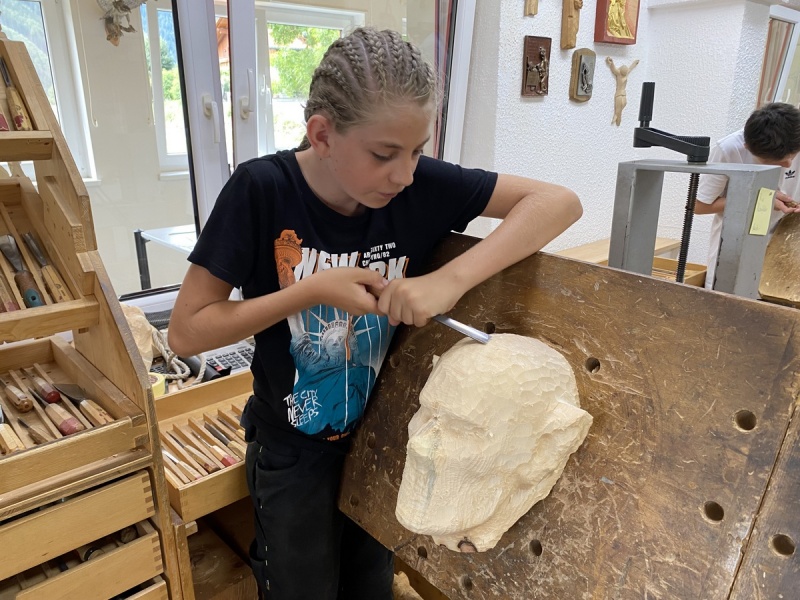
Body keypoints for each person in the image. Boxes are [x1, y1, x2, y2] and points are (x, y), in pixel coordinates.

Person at [168, 27, 582, 600]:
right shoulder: (261, 190)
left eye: (417, 151)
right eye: (384, 155)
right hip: (291, 449)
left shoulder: (418, 187)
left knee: (370, 586)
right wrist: (309, 292)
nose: (404, 174)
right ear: (322, 135)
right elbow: (187, 331)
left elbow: (559, 203)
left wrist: (447, 282)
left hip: (383, 439)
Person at [695, 102, 800, 289]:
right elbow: (699, 206)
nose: (788, 164)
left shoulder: (795, 138)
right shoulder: (729, 149)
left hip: (787, 249)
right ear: (747, 147)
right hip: (736, 247)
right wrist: (761, 199)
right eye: (775, 161)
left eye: (793, 155)